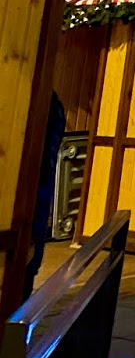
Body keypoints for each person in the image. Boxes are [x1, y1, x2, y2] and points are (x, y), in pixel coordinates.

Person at [22, 92, 66, 300]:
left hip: (31, 201)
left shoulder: (46, 104)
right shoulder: (50, 104)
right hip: (35, 199)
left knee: (26, 268)